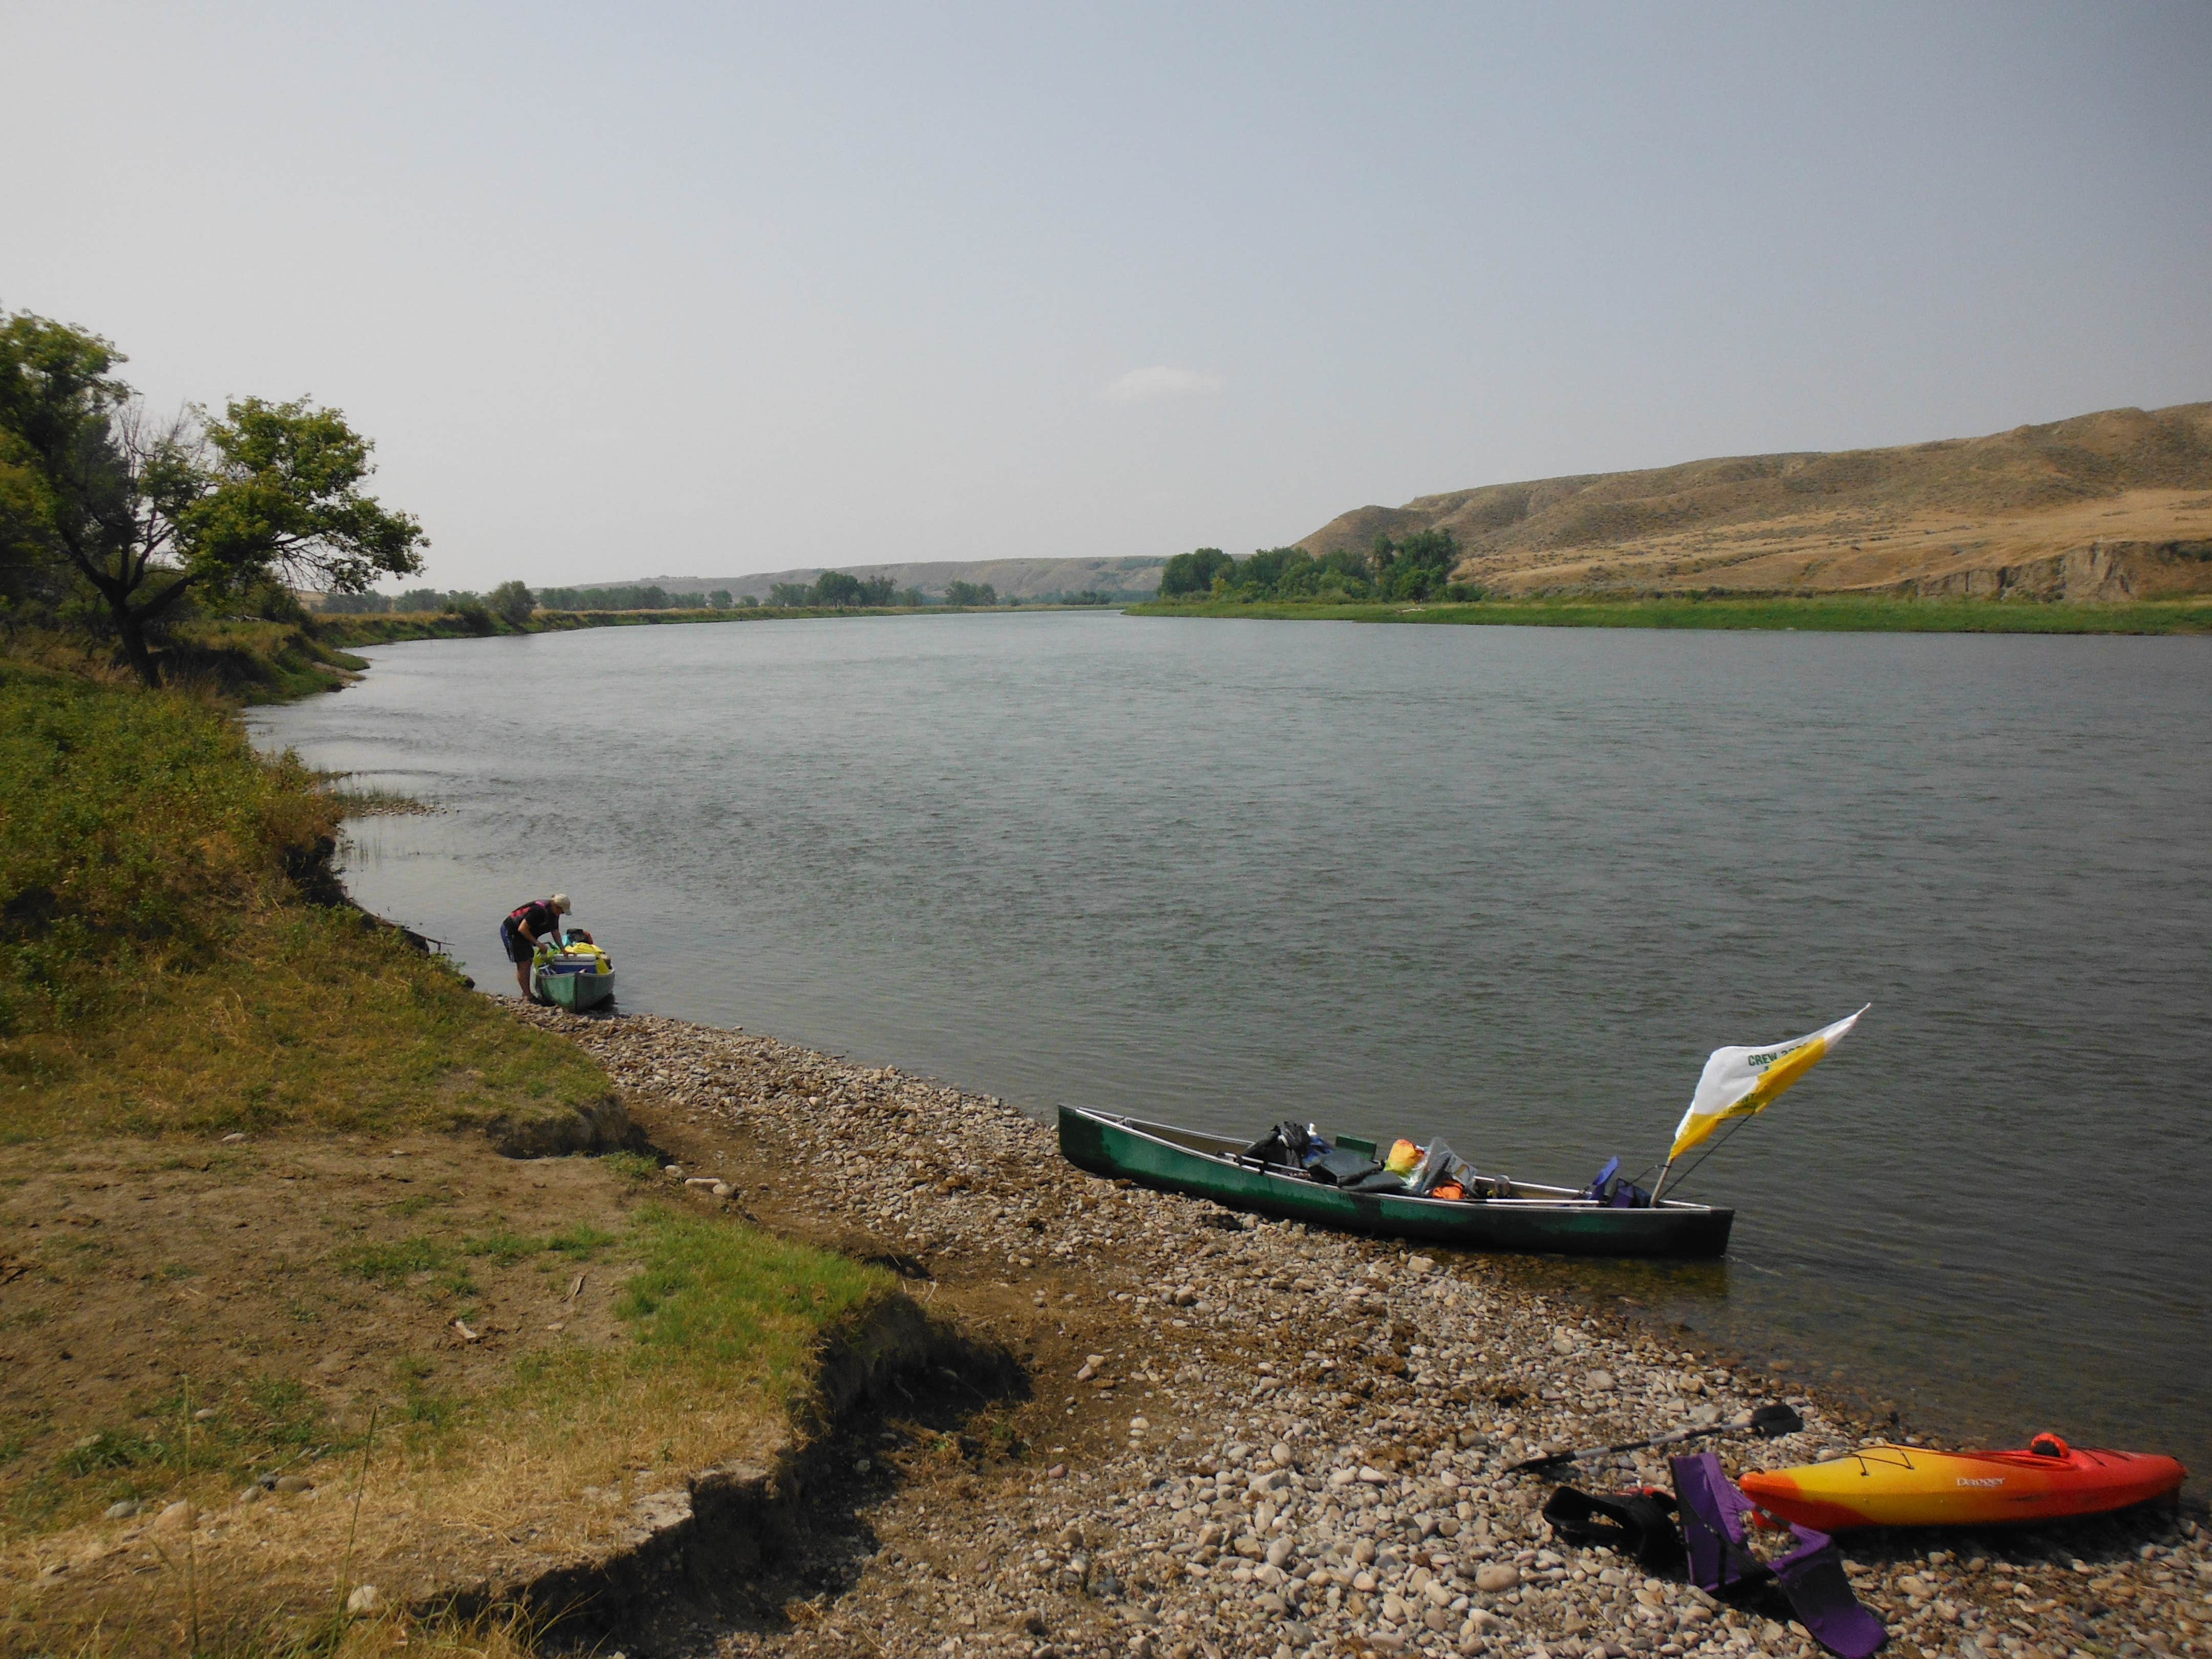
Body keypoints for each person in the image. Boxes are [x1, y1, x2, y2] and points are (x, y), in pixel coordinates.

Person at [500, 892, 571, 999]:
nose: (562, 914)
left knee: (529, 960)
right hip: (513, 931)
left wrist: (563, 950)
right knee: (524, 963)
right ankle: (528, 996)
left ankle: (526, 992)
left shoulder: (554, 914)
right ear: (556, 906)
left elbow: (555, 931)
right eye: (562, 911)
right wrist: (538, 944)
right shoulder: (538, 911)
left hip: (526, 934)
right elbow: (522, 928)